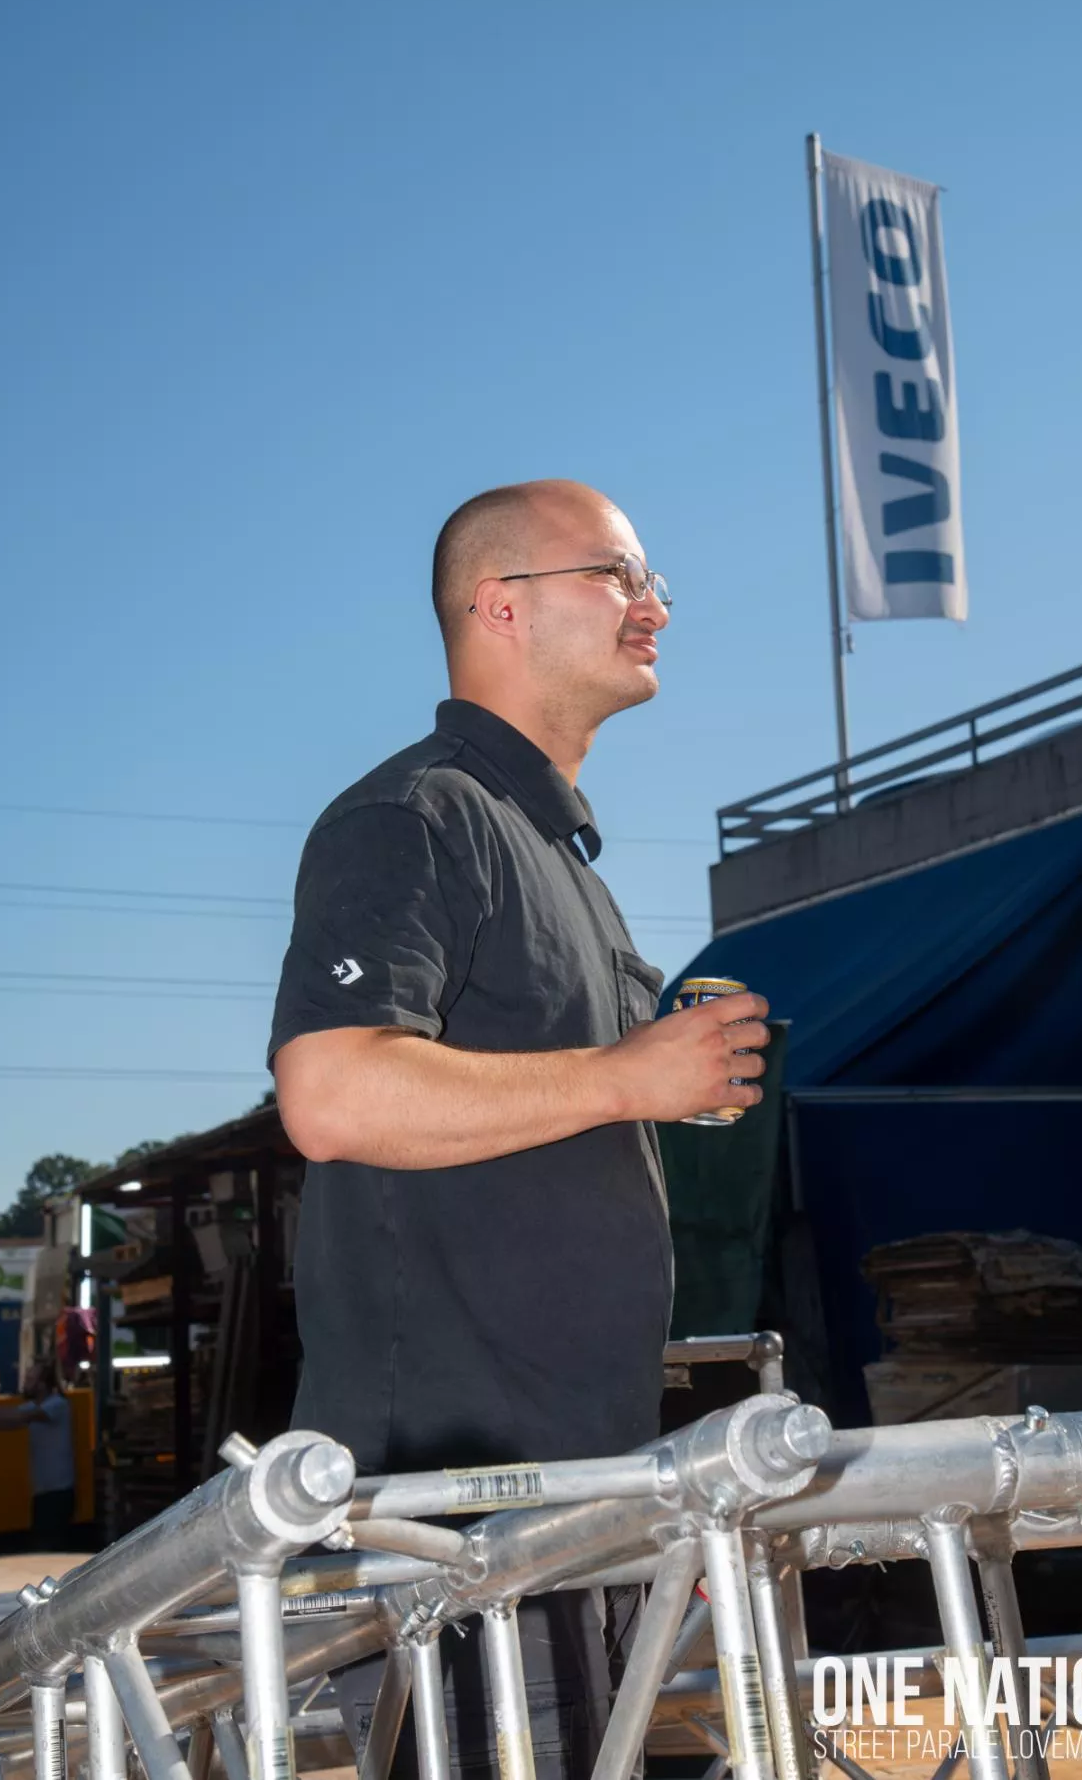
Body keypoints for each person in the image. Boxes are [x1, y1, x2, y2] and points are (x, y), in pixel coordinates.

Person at [269, 478, 770, 1776]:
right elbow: (333, 1092)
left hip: (582, 1514)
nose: (654, 606)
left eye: (655, 581)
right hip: (449, 1536)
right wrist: (622, 1078)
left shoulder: (564, 863)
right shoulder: (414, 816)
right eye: (617, 572)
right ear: (499, 604)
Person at [0, 1359, 76, 1547]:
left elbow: (18, 1416)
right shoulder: (35, 1407)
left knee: (49, 1548)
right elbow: (5, 1420)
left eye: (30, 1379)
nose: (25, 1384)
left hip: (58, 1494)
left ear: (42, 1384)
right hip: (43, 1493)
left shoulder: (57, 1405)